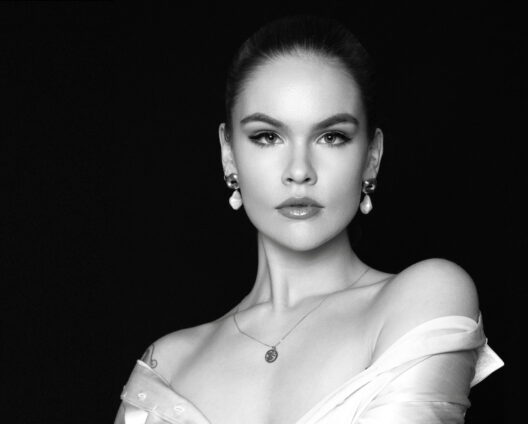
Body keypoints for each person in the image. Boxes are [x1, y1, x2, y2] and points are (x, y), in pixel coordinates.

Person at [114, 14, 504, 424]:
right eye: (267, 137)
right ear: (229, 155)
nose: (299, 171)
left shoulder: (425, 296)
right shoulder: (166, 368)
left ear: (372, 157)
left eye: (331, 137)